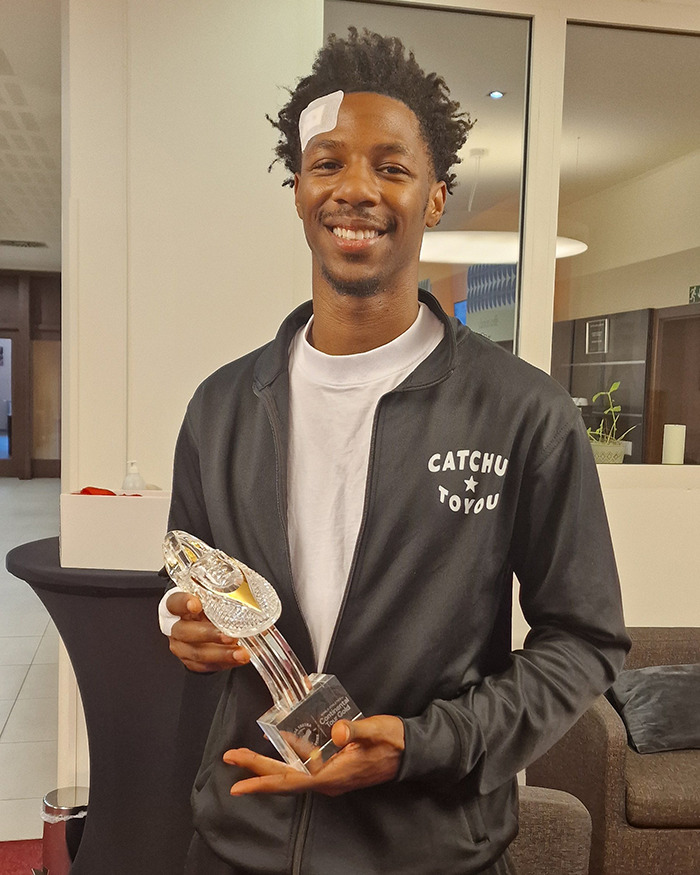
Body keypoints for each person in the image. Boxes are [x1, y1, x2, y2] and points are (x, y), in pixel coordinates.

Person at [160, 28, 629, 875]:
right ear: (298, 189)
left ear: (436, 197)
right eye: (328, 162)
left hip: (431, 851)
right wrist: (185, 630)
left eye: (392, 165)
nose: (357, 189)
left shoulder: (523, 413)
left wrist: (423, 743)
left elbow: (584, 640)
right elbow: (192, 587)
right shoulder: (222, 406)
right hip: (239, 842)